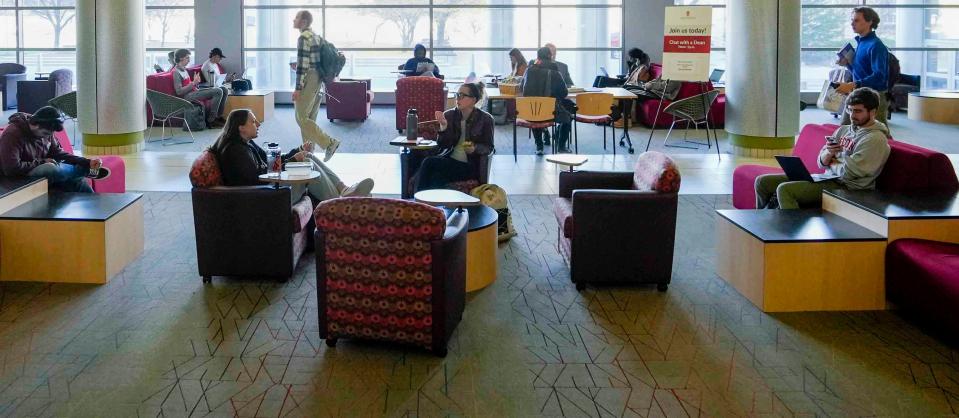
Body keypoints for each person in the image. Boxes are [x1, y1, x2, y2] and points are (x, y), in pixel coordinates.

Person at [755, 87, 890, 210]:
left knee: (785, 190)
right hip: (826, 178)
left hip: (848, 187)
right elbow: (820, 162)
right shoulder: (843, 130)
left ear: (873, 112)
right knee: (762, 182)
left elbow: (848, 173)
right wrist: (830, 154)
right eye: (850, 110)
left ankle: (789, 233)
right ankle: (761, 224)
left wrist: (833, 159)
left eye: (858, 111)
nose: (852, 115)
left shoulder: (875, 139)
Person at [211, 109, 373, 204]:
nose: (258, 124)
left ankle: (343, 190)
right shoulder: (236, 152)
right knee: (307, 166)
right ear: (241, 128)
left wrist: (298, 151)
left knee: (307, 156)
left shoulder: (246, 143)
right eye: (253, 122)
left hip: (271, 186)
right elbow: (262, 177)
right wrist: (294, 160)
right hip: (269, 197)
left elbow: (270, 163)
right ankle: (340, 203)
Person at [0, 107, 110, 193]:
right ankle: (83, 170)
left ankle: (95, 209)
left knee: (76, 180)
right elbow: (11, 169)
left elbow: (58, 153)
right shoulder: (12, 134)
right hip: (18, 176)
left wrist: (86, 161)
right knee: (50, 168)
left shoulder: (47, 129)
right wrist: (42, 162)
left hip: (37, 168)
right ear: (35, 125)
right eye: (45, 134)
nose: (47, 137)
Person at [414, 83, 493, 192]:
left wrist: (475, 148)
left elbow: (489, 147)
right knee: (436, 178)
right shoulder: (450, 115)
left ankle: (419, 202)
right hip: (449, 160)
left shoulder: (485, 119)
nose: (458, 98)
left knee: (429, 162)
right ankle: (431, 205)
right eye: (457, 94)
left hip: (469, 166)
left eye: (462, 95)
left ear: (473, 100)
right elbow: (443, 145)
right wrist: (443, 127)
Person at [292, 10, 341, 162]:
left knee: (300, 117)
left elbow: (302, 66)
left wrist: (298, 88)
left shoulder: (303, 38)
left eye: (297, 17)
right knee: (309, 119)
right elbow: (315, 62)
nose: (294, 20)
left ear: (304, 21)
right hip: (318, 79)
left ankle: (329, 142)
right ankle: (309, 156)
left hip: (309, 80)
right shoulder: (316, 37)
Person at [837, 6, 889, 125]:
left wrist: (853, 84)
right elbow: (860, 71)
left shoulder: (876, 45)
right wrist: (847, 64)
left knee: (880, 131)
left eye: (856, 20)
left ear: (869, 22)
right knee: (845, 128)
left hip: (875, 96)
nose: (852, 24)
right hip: (859, 92)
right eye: (852, 20)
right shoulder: (861, 42)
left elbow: (880, 76)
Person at [522, 47, 572, 155]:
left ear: (538, 56)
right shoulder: (555, 71)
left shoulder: (529, 70)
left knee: (536, 113)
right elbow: (564, 93)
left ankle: (539, 146)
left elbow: (522, 89)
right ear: (550, 56)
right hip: (550, 112)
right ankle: (561, 146)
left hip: (529, 111)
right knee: (567, 117)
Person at [172, 48, 228, 129]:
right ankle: (211, 120)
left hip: (194, 91)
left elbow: (189, 84)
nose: (189, 60)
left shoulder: (184, 69)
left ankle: (218, 116)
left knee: (224, 89)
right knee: (218, 91)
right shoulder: (176, 72)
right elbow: (179, 91)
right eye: (187, 58)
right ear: (181, 58)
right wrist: (193, 83)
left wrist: (196, 83)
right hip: (188, 96)